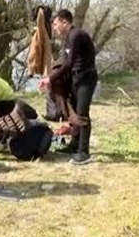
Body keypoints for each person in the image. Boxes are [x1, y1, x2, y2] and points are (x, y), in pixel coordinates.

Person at [40, 9, 98, 165]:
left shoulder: (76, 35)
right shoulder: (68, 37)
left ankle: (84, 152)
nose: (55, 28)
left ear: (65, 21)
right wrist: (53, 79)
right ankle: (74, 144)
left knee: (82, 114)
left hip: (86, 78)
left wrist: (50, 78)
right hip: (75, 78)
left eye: (56, 24)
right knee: (74, 111)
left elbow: (69, 62)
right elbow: (63, 62)